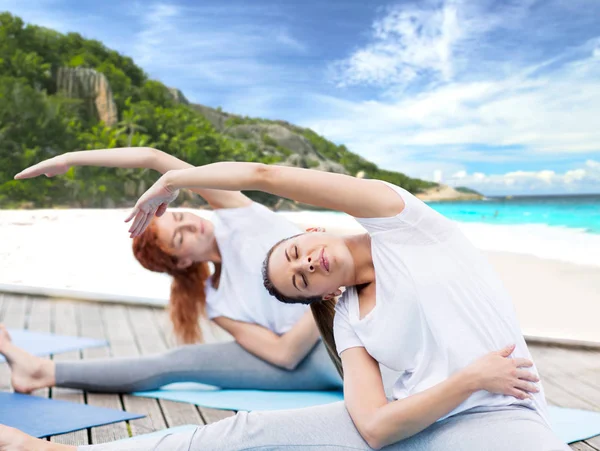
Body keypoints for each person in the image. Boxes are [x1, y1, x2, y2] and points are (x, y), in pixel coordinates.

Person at [0, 161, 568, 450]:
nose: (306, 264)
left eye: (297, 252)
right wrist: (467, 380)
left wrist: (172, 175)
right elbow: (372, 426)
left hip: (503, 416)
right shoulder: (346, 317)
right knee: (243, 432)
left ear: (313, 230)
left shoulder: (408, 226)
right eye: (299, 280)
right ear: (317, 298)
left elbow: (267, 177)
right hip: (427, 413)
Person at [0, 148, 341, 398]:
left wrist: (71, 160)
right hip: (316, 356)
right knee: (176, 361)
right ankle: (42, 371)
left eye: (179, 217)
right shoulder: (217, 300)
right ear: (180, 262)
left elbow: (154, 158)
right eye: (180, 237)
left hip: (352, 323)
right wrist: (331, 294)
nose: (191, 224)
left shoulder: (237, 214)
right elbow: (284, 355)